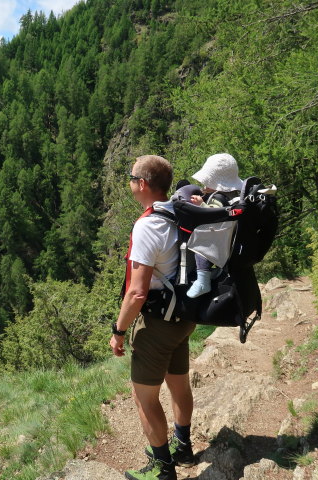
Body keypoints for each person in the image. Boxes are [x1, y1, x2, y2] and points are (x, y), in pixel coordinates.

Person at [110, 155, 197, 480]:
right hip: (185, 316)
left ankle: (162, 470)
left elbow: (136, 293)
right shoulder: (179, 212)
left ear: (142, 184)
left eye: (131, 177)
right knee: (178, 384)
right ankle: (183, 447)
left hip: (158, 322)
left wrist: (118, 330)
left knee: (144, 397)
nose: (130, 182)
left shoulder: (148, 225)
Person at [181, 153, 243, 299]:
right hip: (230, 241)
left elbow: (213, 214)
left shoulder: (218, 198)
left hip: (218, 241)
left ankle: (203, 279)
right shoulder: (236, 195)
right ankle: (209, 273)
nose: (204, 185)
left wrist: (200, 205)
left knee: (200, 239)